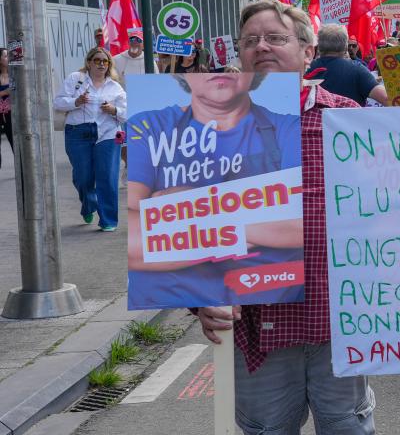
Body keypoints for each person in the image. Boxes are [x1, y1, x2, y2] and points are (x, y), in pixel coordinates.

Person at [193, 0, 389, 435]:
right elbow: (190, 221)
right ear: (238, 56)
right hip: (259, 320)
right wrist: (198, 297)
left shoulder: (348, 119)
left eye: (275, 37)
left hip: (336, 316)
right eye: (250, 39)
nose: (261, 47)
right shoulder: (208, 125)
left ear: (309, 55)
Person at [126, 70, 303, 307]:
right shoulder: (149, 127)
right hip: (178, 297)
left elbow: (297, 227)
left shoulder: (289, 128)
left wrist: (181, 209)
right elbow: (136, 242)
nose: (220, 74)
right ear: (184, 77)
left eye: (234, 67)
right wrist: (259, 223)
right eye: (207, 67)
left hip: (267, 294)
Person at [53, 47, 126, 231]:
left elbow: (127, 113)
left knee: (107, 178)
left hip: (108, 134)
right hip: (78, 132)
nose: (101, 64)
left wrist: (114, 110)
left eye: (105, 61)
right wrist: (76, 102)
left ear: (109, 65)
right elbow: (58, 102)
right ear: (89, 62)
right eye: (97, 60)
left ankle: (108, 220)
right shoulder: (75, 79)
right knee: (83, 177)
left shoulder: (115, 87)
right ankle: (88, 202)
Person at [310, 25, 389, 107]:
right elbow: (386, 98)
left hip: (312, 119)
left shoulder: (305, 69)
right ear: (345, 46)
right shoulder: (358, 70)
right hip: (352, 119)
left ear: (318, 46)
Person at [0, 48, 13, 169]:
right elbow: (8, 92)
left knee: (13, 139)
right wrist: (5, 92)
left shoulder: (14, 74)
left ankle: (21, 168)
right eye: (5, 56)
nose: (8, 58)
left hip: (11, 113)